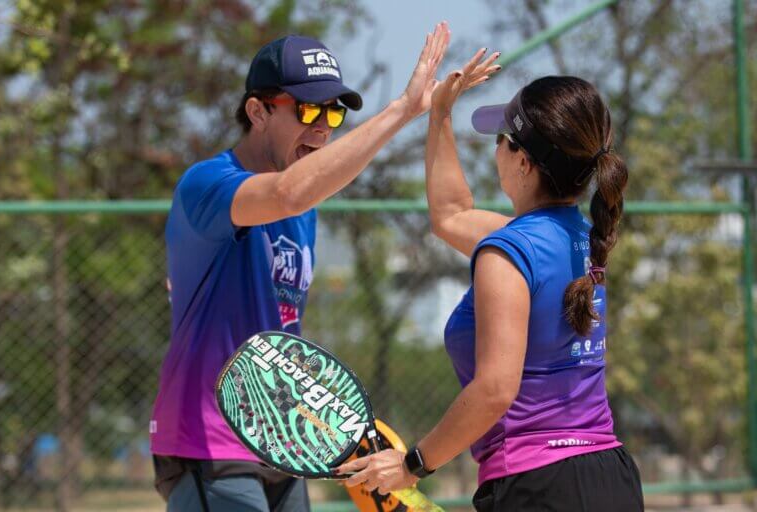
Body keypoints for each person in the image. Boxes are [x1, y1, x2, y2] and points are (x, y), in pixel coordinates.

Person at [149, 23, 450, 512]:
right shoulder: (208, 183)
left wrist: (331, 427)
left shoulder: (304, 214)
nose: (323, 125)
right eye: (308, 108)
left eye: (334, 112)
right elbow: (289, 191)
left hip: (278, 437)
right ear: (257, 111)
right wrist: (402, 110)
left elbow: (279, 335)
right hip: (211, 436)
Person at [337, 50, 644, 511]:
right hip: (610, 476)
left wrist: (413, 463)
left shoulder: (508, 251)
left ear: (523, 164)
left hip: (538, 486)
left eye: (503, 138)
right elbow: (450, 215)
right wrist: (439, 114)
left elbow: (495, 389)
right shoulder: (586, 237)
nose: (495, 147)